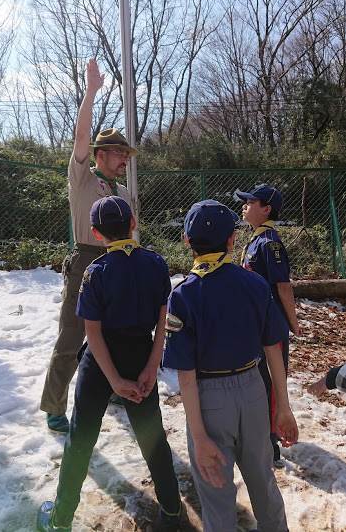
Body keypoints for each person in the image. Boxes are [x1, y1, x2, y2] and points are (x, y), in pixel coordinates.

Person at [37, 196, 185, 532]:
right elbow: (164, 322)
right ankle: (173, 512)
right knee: (152, 437)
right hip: (141, 354)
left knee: (81, 438)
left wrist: (114, 380)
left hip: (99, 363)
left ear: (95, 232)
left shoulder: (96, 272)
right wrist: (150, 368)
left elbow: (93, 332)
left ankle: (60, 520)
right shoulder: (156, 264)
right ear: (133, 223)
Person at [163, 200, 298, 532]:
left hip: (208, 401)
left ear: (186, 240)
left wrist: (198, 435)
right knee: (264, 485)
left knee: (216, 496)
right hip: (253, 390)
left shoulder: (182, 295)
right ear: (232, 241)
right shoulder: (255, 285)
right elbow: (273, 349)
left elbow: (187, 375)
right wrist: (283, 406)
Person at [40, 58, 136, 433]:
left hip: (119, 261)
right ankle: (54, 405)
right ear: (99, 154)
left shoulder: (124, 191)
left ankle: (112, 387)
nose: (123, 159)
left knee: (117, 333)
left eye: (126, 154)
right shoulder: (82, 179)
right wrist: (91, 92)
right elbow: (80, 137)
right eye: (117, 153)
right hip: (86, 261)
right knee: (70, 338)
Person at [235, 184, 299, 467]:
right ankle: (260, 436)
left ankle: (270, 445)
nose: (245, 206)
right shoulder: (256, 240)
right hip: (253, 325)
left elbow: (283, 287)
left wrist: (293, 324)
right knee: (257, 380)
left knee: (271, 382)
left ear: (267, 209)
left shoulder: (270, 243)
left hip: (271, 327)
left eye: (250, 201)